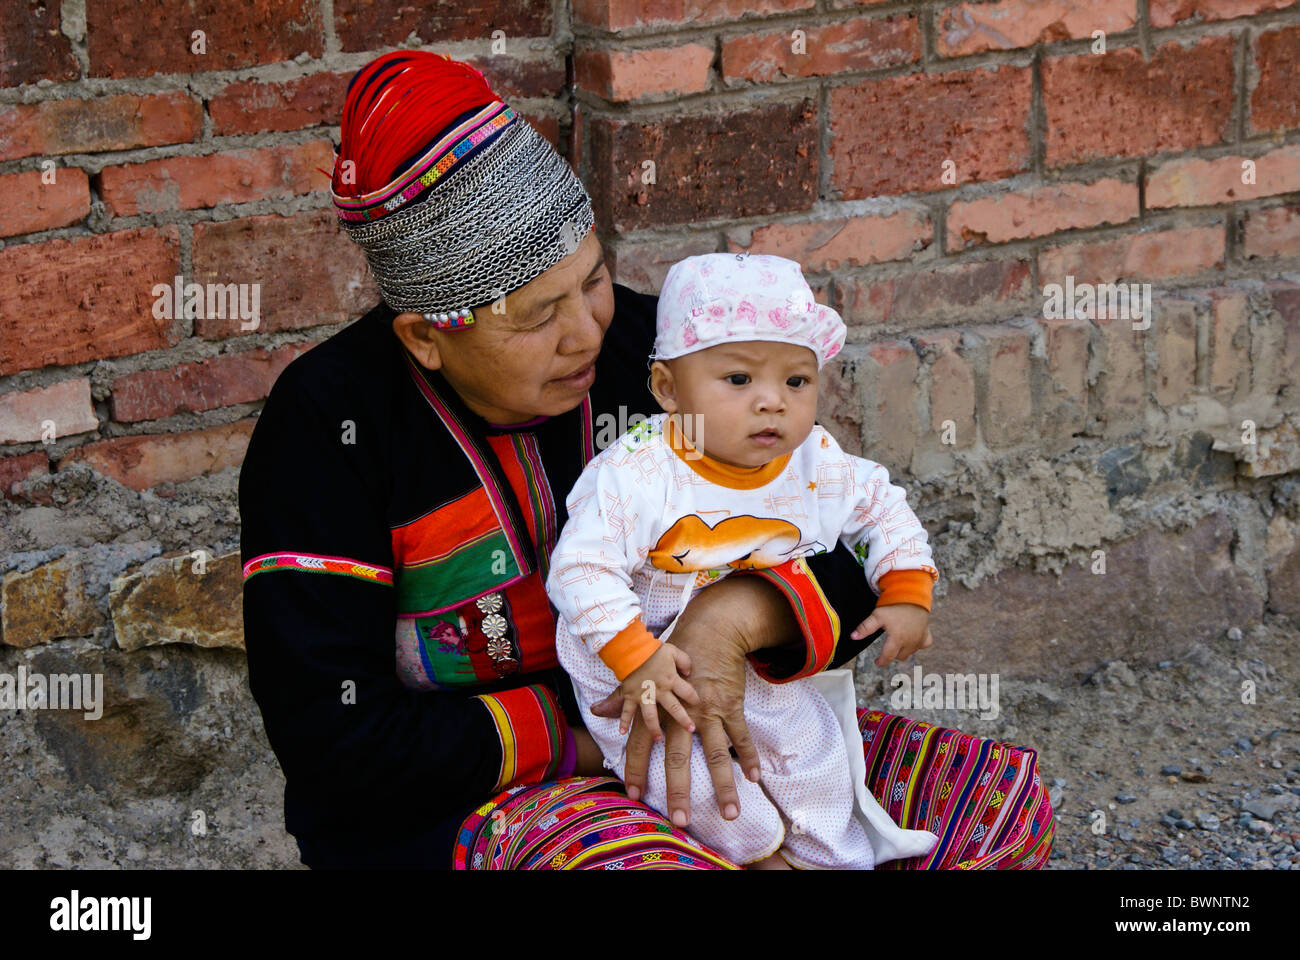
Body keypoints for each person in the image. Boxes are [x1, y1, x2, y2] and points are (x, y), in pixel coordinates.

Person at [238, 50, 888, 869]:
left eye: (593, 280)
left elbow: (862, 560)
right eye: (539, 314)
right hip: (463, 805)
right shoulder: (331, 421)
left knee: (992, 801)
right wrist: (609, 735)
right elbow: (338, 740)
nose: (586, 331)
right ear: (427, 338)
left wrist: (732, 621)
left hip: (708, 730)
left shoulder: (661, 362)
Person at [548, 253, 942, 868]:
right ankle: (756, 854)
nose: (772, 403)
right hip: (635, 661)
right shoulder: (637, 472)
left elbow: (880, 507)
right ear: (668, 390)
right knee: (698, 782)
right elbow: (581, 570)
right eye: (738, 381)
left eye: (796, 381)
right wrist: (635, 656)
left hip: (756, 662)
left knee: (810, 756)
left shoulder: (816, 461)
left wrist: (906, 586)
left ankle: (831, 856)